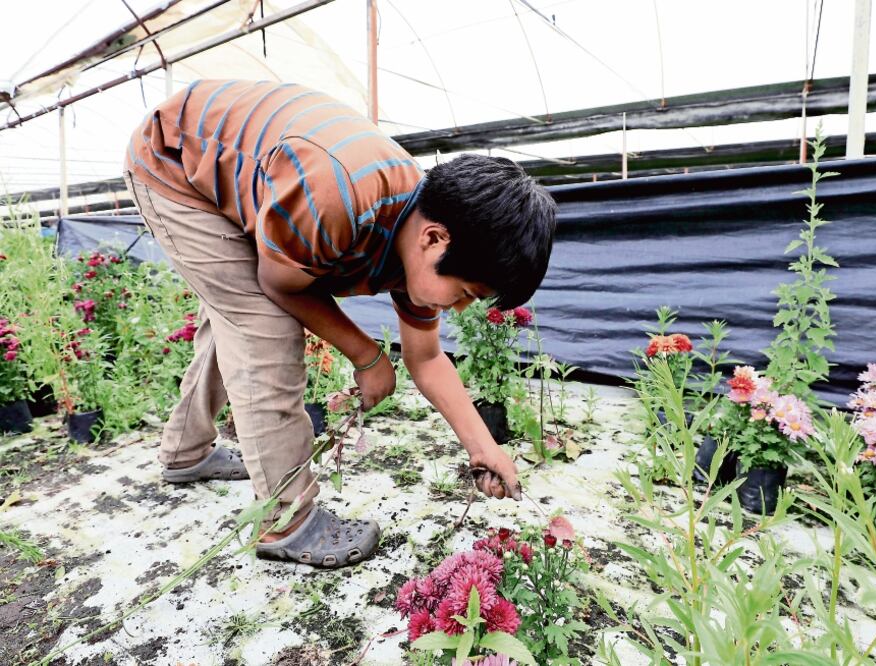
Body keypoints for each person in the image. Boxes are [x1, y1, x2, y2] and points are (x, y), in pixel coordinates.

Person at [122, 79, 556, 568]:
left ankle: (185, 452)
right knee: (261, 327)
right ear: (434, 240)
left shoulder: (416, 232)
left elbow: (427, 358)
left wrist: (485, 448)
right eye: (465, 294)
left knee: (235, 311)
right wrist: (366, 355)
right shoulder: (337, 198)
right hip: (178, 164)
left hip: (258, 178)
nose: (458, 309)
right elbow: (280, 285)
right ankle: (288, 522)